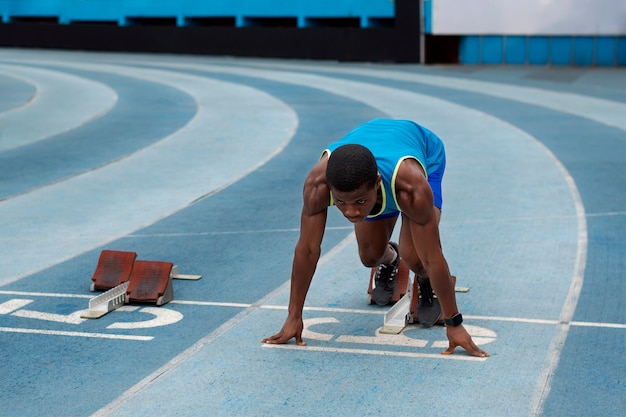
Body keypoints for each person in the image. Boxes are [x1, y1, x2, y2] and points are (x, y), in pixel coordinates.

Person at [262, 119, 489, 358]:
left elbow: (434, 256)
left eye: (360, 202)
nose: (351, 212)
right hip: (375, 163)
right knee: (369, 256)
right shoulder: (317, 185)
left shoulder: (412, 188)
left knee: (417, 257)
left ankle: (423, 280)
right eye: (341, 202)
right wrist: (293, 315)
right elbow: (307, 250)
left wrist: (455, 324)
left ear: (377, 183)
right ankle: (391, 260)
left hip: (422, 155)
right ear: (330, 189)